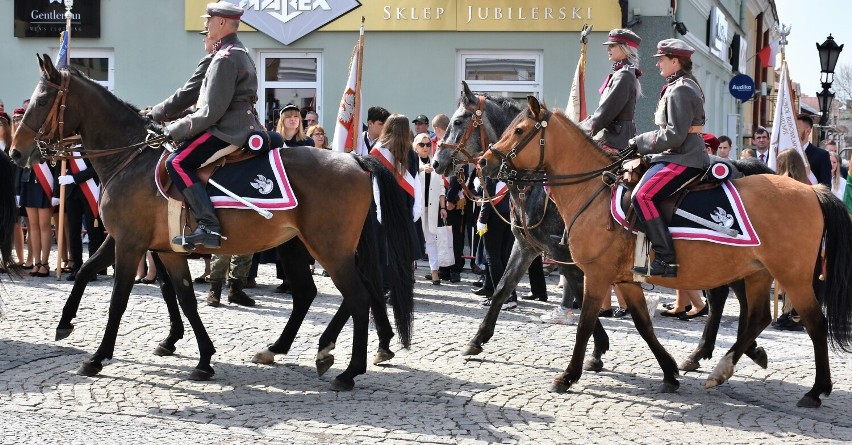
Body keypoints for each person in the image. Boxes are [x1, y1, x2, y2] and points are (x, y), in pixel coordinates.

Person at [161, 1, 260, 249]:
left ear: (222, 22)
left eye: (208, 20)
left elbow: (210, 112)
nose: (205, 24)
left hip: (228, 130)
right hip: (235, 125)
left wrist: (172, 129)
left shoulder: (225, 58)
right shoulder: (235, 52)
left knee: (177, 162)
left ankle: (208, 226)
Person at [630, 39, 709, 278]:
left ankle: (666, 258)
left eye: (661, 60)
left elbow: (674, 135)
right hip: (676, 154)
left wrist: (641, 142)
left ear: (675, 61)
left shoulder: (682, 88)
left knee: (642, 196)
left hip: (684, 157)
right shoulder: (677, 85)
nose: (657, 65)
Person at [370, 114, 421, 297]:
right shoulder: (412, 153)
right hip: (405, 208)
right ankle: (401, 289)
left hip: (385, 207)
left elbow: (375, 183)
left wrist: (379, 210)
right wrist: (417, 208)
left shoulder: (378, 150)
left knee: (385, 249)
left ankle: (384, 286)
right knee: (403, 250)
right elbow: (417, 183)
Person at [578, 28, 642, 152]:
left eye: (612, 46)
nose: (608, 49)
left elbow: (605, 113)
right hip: (613, 136)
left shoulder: (624, 75)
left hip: (615, 140)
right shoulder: (622, 73)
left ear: (625, 48)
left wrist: (579, 131)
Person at [771, 149, 813, 331]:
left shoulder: (786, 185)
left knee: (789, 279)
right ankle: (790, 313)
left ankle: (793, 315)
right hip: (805, 238)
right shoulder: (808, 183)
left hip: (790, 237)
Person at [14, 108, 56, 277]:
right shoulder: (23, 137)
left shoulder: (47, 138)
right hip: (28, 182)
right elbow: (18, 162)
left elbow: (53, 162)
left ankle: (44, 263)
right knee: (32, 227)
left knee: (44, 226)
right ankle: (36, 262)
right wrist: (18, 190)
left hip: (43, 184)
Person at [56, 146, 107, 281]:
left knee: (93, 230)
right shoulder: (65, 145)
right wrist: (57, 192)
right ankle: (76, 267)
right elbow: (59, 168)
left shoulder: (88, 142)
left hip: (90, 190)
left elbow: (95, 168)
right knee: (73, 231)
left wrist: (74, 178)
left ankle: (92, 268)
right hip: (72, 193)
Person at [414, 133, 446, 285]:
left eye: (428, 144)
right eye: (422, 144)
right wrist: (421, 169)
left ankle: (434, 272)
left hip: (431, 208)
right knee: (413, 239)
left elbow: (441, 188)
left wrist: (443, 207)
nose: (425, 147)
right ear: (416, 146)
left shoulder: (435, 163)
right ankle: (409, 271)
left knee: (431, 239)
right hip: (416, 208)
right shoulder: (412, 163)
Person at [796, 115, 832, 187]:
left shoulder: (821, 155)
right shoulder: (786, 154)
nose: (793, 132)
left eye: (797, 128)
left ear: (808, 131)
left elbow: (825, 187)